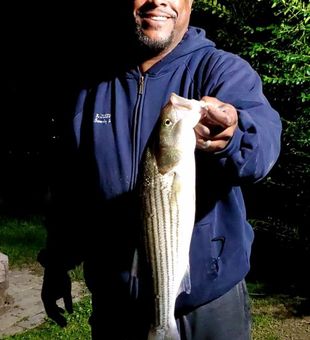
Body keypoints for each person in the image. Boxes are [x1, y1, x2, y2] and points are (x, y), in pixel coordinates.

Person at [37, 0, 282, 339]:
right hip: (117, 305)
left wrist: (232, 137)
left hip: (209, 303)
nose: (158, 1)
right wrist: (56, 262)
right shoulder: (90, 86)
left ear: (190, 3)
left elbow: (263, 149)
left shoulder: (222, 70)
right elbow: (70, 188)